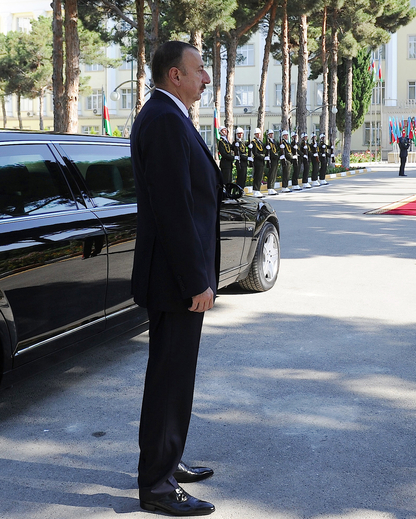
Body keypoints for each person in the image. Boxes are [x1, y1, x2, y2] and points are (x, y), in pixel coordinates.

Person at [130, 40, 218, 516]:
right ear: (174, 75)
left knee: (172, 378)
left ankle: (168, 458)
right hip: (175, 281)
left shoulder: (169, 114)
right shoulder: (164, 119)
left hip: (174, 276)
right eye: (200, 70)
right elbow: (174, 211)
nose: (206, 78)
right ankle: (158, 487)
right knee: (169, 380)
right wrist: (195, 281)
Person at [249, 127, 266, 197]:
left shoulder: (260, 142)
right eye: (257, 134)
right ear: (255, 134)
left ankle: (258, 190)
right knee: (257, 176)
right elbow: (255, 153)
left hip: (261, 161)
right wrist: (262, 157)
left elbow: (263, 150)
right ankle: (255, 190)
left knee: (260, 176)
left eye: (259, 134)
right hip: (257, 161)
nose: (258, 135)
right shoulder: (253, 142)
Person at [265, 129, 280, 195]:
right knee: (271, 173)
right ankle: (270, 188)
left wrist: (278, 155)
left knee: (274, 173)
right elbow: (269, 152)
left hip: (275, 159)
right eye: (270, 134)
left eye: (272, 134)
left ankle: (272, 187)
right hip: (271, 159)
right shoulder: (267, 142)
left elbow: (277, 149)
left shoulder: (274, 141)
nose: (271, 135)